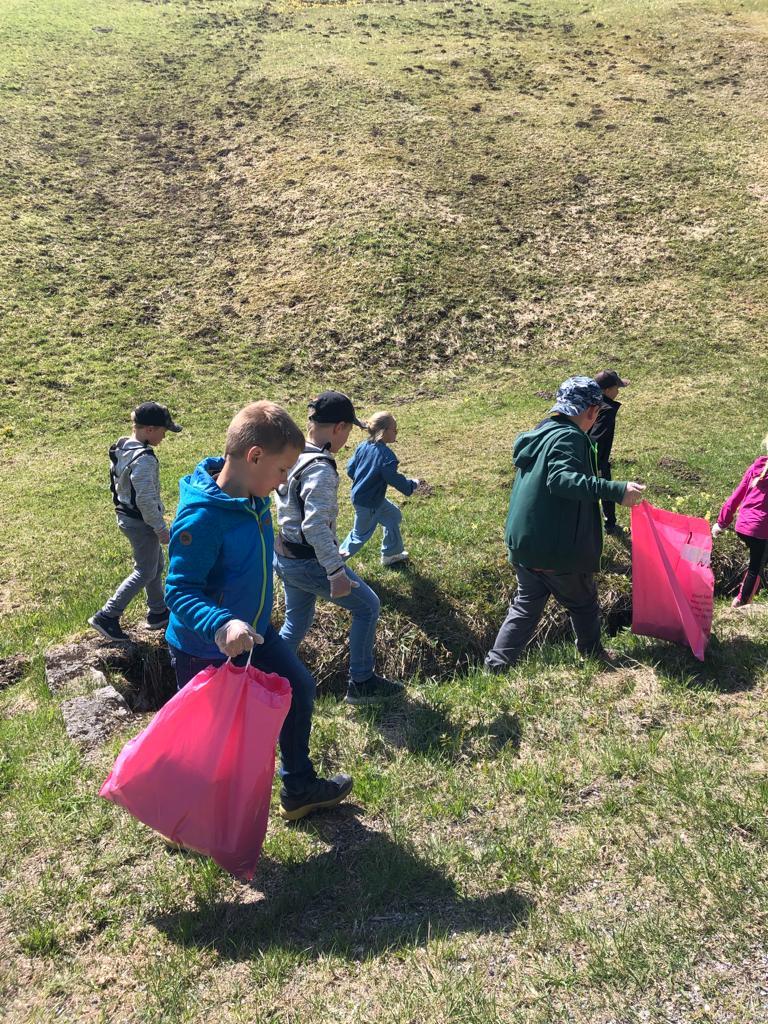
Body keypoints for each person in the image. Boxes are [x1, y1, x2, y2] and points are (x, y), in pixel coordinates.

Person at [164, 400, 353, 822]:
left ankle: (299, 787)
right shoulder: (201, 517)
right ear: (255, 456)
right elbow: (178, 590)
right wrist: (221, 623)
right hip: (203, 647)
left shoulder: (254, 497)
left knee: (299, 687)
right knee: (210, 742)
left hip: (255, 633)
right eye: (283, 470)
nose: (285, 481)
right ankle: (187, 817)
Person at [485, 376, 646, 671]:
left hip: (525, 545)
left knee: (525, 606)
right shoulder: (569, 437)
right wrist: (616, 490)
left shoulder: (542, 432)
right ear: (592, 411)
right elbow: (560, 480)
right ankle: (593, 656)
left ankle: (496, 666)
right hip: (555, 547)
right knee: (583, 602)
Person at [274, 391, 404, 705]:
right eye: (348, 431)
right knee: (368, 606)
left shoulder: (292, 455)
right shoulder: (319, 468)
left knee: (297, 622)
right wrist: (335, 571)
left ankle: (265, 678)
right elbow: (315, 526)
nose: (347, 439)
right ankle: (361, 682)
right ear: (339, 427)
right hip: (310, 561)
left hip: (285, 555)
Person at [89, 402, 181, 643]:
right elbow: (146, 500)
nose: (164, 436)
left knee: (155, 564)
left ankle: (158, 612)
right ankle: (107, 615)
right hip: (141, 523)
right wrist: (160, 528)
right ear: (150, 429)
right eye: (163, 431)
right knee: (145, 570)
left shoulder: (122, 446)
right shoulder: (145, 459)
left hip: (126, 516)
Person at [340, 411, 426, 566]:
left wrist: (364, 481)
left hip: (367, 497)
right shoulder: (386, 456)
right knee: (359, 535)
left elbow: (350, 469)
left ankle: (391, 554)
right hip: (369, 502)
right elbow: (393, 478)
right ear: (383, 431)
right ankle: (330, 564)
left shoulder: (363, 446)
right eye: (394, 429)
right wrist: (411, 485)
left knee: (393, 516)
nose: (397, 432)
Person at [712, 435, 768, 608]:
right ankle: (741, 603)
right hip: (759, 528)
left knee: (760, 559)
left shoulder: (757, 466)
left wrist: (721, 523)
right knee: (756, 566)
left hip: (743, 524)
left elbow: (736, 495)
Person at [588, 369, 630, 536]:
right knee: (604, 488)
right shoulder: (605, 410)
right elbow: (595, 437)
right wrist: (596, 462)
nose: (618, 391)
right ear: (606, 390)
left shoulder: (591, 403)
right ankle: (610, 525)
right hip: (597, 459)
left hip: (593, 457)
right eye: (616, 387)